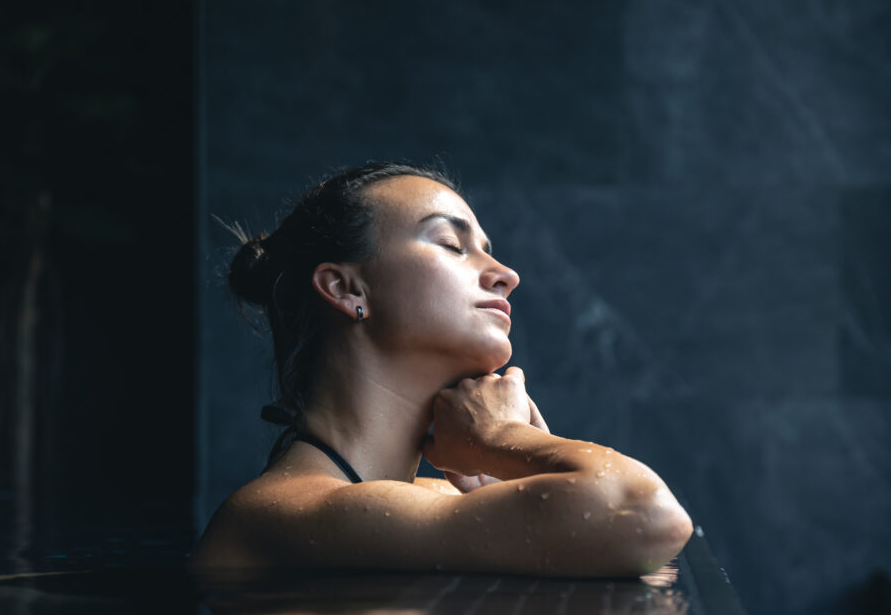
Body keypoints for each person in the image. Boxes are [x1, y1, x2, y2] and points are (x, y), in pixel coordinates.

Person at [189, 162, 693, 577]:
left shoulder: (433, 500)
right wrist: (501, 438)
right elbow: (645, 513)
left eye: (487, 252)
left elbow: (642, 548)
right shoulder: (288, 511)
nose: (507, 275)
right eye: (452, 244)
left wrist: (503, 480)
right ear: (347, 289)